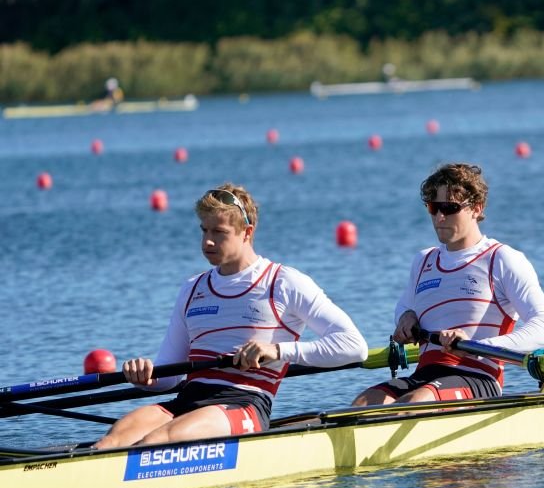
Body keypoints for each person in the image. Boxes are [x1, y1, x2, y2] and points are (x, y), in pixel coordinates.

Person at [95, 184, 368, 449]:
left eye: (219, 232)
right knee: (111, 441)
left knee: (157, 441)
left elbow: (354, 346)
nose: (207, 241)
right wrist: (146, 376)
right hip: (186, 400)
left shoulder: (284, 283)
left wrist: (277, 350)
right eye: (204, 230)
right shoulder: (192, 289)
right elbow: (169, 376)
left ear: (247, 232)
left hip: (243, 403)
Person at [353, 163, 544, 406]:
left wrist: (476, 346)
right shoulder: (423, 261)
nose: (440, 217)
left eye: (450, 208)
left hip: (477, 378)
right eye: (433, 207)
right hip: (424, 375)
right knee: (363, 403)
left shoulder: (502, 259)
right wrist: (406, 317)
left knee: (413, 403)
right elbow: (404, 306)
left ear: (476, 208)